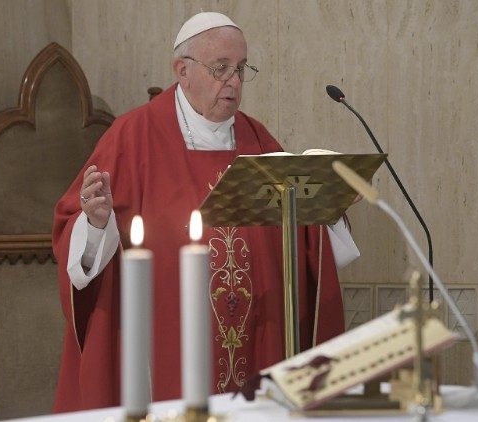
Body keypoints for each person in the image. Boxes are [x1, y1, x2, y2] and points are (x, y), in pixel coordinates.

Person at [51, 12, 358, 413]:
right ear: (182, 70)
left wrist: (328, 205)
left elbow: (299, 239)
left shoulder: (258, 140)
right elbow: (74, 237)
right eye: (221, 68)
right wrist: (96, 223)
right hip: (164, 355)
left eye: (241, 68)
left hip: (258, 343)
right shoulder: (133, 138)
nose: (234, 80)